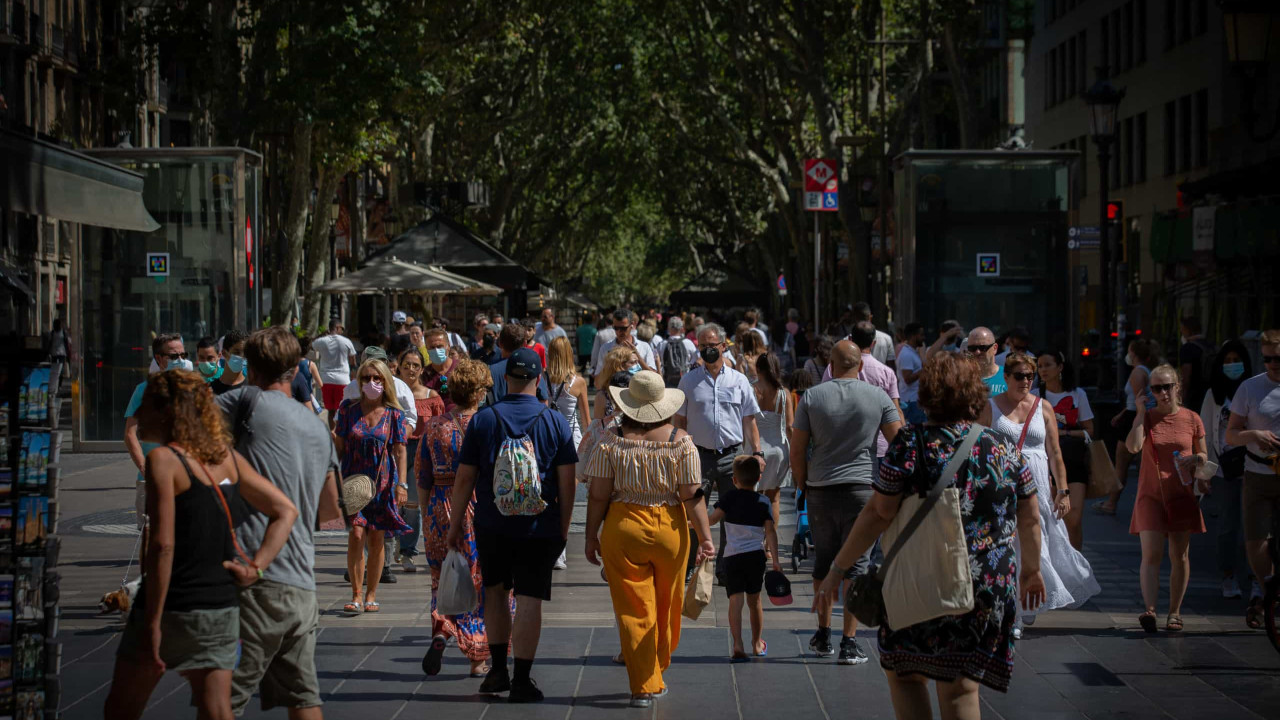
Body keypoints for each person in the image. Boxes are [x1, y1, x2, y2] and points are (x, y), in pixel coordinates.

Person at [815, 352, 1046, 716]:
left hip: (921, 577)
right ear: (975, 395)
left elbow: (879, 512)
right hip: (985, 586)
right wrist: (1032, 571)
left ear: (927, 394)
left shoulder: (911, 443)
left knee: (906, 674)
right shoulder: (1001, 447)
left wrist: (837, 569)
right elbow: (1031, 516)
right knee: (960, 688)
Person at [103, 369, 298, 720]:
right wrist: (256, 567)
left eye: (148, 405)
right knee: (217, 711)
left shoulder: (163, 461)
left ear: (167, 412)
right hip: (219, 607)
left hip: (172, 604)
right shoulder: (226, 458)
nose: (141, 414)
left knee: (122, 708)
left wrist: (151, 624)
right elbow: (285, 510)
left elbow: (162, 545)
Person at [217, 327, 342, 719]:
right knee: (303, 697)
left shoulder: (239, 401)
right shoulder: (319, 429)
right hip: (302, 585)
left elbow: (189, 451)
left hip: (254, 578)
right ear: (296, 369)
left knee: (220, 701)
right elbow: (329, 510)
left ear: (250, 367)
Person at [445, 347, 577, 702]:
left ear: (506, 379)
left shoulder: (484, 420)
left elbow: (464, 480)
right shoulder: (555, 422)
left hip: (492, 525)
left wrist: (455, 524)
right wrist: (563, 529)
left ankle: (498, 671)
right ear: (539, 379)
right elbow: (568, 483)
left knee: (496, 594)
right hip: (540, 527)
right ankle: (522, 679)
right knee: (530, 599)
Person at [582, 370, 714, 708]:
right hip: (670, 528)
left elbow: (598, 495)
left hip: (622, 526)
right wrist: (706, 537)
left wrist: (589, 536)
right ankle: (658, 666)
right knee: (667, 601)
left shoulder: (610, 442)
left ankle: (644, 683)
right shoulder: (681, 441)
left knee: (632, 608)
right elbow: (691, 495)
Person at [791, 339, 902, 663]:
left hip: (821, 489)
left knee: (823, 560)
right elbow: (899, 443)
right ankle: (849, 642)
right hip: (862, 489)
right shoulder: (878, 396)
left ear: (831, 366)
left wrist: (802, 484)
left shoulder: (811, 397)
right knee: (857, 563)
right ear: (861, 365)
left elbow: (798, 449)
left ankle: (823, 634)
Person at [983, 353, 1099, 632]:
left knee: (1037, 545)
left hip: (1037, 488)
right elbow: (978, 447)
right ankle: (1014, 613)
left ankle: (1024, 604)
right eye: (1019, 376)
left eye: (1029, 376)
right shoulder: (990, 407)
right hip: (1002, 485)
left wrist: (1063, 490)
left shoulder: (1043, 407)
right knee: (1009, 547)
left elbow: (1055, 453)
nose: (1025, 381)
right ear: (1006, 378)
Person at [418, 359, 509, 678]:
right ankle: (477, 658)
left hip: (438, 508)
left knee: (444, 579)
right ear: (480, 391)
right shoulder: (488, 423)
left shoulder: (434, 426)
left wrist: (427, 516)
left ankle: (442, 630)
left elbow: (423, 476)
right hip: (475, 506)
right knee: (479, 581)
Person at [674, 323, 765, 573]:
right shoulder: (689, 382)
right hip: (697, 456)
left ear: (724, 346)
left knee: (731, 513)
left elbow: (749, 419)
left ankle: (726, 566)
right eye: (702, 346)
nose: (706, 350)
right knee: (693, 511)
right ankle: (692, 563)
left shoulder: (739, 380)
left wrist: (756, 452)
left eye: (711, 346)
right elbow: (679, 421)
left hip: (732, 456)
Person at [1126, 364, 1208, 633]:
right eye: (1156, 388)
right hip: (1150, 494)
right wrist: (1139, 413)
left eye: (1167, 386)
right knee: (1151, 554)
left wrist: (1196, 461)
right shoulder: (1147, 417)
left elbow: (1204, 456)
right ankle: (1150, 609)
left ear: (1177, 387)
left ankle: (1174, 612)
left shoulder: (1192, 418)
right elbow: (1133, 446)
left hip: (1181, 495)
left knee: (1179, 555)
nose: (1162, 393)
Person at [333, 358, 412, 614]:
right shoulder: (348, 409)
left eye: (377, 378)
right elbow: (339, 447)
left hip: (383, 483)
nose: (371, 383)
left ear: (386, 382)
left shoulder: (394, 414)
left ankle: (371, 594)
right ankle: (356, 594)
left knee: (377, 537)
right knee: (356, 534)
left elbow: (401, 451)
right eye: (366, 378)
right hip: (353, 480)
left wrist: (402, 484)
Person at [1225, 328, 1280, 630]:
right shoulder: (1250, 388)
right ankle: (1266, 588)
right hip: (1257, 473)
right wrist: (1254, 435)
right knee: (1255, 541)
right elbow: (1231, 434)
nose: (1273, 364)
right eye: (1268, 358)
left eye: (1279, 358)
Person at [707, 456, 779, 663]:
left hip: (732, 557)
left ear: (734, 479)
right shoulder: (764, 502)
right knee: (755, 601)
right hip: (755, 558)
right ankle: (757, 643)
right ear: (758, 478)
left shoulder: (729, 498)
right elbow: (771, 532)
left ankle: (737, 644)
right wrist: (775, 560)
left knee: (735, 601)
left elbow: (712, 519)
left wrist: (693, 523)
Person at [1200, 339, 1253, 600]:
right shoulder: (1214, 395)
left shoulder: (1254, 390)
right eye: (1228, 361)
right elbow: (1206, 435)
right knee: (1228, 528)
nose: (1233, 365)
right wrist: (1206, 474)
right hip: (1223, 470)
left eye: (1237, 360)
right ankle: (1228, 576)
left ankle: (1256, 579)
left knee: (1255, 529)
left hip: (1255, 466)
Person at [124, 334, 190, 531]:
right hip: (152, 479)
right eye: (173, 356)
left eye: (183, 355)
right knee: (151, 538)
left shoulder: (193, 390)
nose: (179, 360)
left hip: (187, 476)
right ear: (159, 359)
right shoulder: (144, 391)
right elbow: (129, 434)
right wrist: (145, 468)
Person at [1034, 350, 1095, 551]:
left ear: (1060, 367)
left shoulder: (1077, 394)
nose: (1042, 370)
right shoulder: (1034, 396)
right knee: (1052, 518)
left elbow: (1089, 430)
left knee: (1074, 518)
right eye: (1040, 366)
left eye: (1047, 365)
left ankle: (1078, 563)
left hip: (1074, 460)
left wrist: (1064, 433)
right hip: (1046, 462)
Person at [1096, 338, 1160, 516]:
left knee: (1122, 464)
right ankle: (1116, 502)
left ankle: (1112, 502)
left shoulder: (1137, 373)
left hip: (1136, 418)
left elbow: (1140, 400)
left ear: (1133, 353)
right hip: (1134, 416)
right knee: (1134, 463)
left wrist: (1131, 416)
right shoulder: (1144, 371)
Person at [396, 346, 446, 573]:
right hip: (396, 448)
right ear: (399, 366)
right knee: (393, 501)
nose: (411, 369)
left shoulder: (432, 397)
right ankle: (390, 545)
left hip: (421, 450)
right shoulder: (391, 393)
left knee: (413, 504)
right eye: (406, 365)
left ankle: (408, 551)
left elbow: (440, 428)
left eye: (415, 365)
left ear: (422, 368)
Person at [753, 353, 791, 528]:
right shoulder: (783, 394)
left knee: (754, 497)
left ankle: (757, 541)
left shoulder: (751, 390)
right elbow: (790, 426)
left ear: (758, 369)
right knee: (774, 498)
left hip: (755, 448)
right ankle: (770, 544)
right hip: (778, 449)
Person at [343, 346, 418, 436]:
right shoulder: (352, 388)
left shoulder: (401, 387)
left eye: (379, 363)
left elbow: (410, 420)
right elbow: (341, 418)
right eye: (370, 363)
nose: (375, 367)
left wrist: (399, 440)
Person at [487, 324, 550, 403]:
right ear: (525, 343)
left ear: (500, 344)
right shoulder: (531, 366)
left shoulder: (490, 370)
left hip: (496, 414)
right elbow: (543, 400)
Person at [313, 322, 358, 425]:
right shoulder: (346, 341)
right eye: (341, 328)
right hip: (342, 380)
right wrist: (353, 374)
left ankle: (332, 433)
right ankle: (339, 434)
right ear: (337, 328)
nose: (342, 330)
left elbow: (311, 344)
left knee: (330, 410)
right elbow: (353, 360)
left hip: (326, 380)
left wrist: (321, 335)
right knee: (342, 409)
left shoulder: (322, 341)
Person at [594, 309, 656, 378]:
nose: (619, 331)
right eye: (616, 328)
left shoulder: (644, 347)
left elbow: (653, 376)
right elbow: (598, 379)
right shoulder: (605, 348)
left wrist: (637, 356)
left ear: (632, 325)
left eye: (623, 328)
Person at [1179, 316, 1215, 410]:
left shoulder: (1188, 348)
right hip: (1211, 392)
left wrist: (1181, 397)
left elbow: (1186, 377)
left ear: (1187, 330)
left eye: (1182, 330)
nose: (1181, 332)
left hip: (1194, 396)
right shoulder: (1210, 345)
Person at [419, 327, 457, 412]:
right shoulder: (423, 375)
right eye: (432, 347)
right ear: (427, 349)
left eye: (440, 346)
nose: (436, 350)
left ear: (448, 346)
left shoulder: (461, 368)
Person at [897, 323, 927, 424]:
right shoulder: (907, 354)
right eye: (921, 335)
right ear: (913, 336)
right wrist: (924, 370)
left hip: (915, 401)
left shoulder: (912, 352)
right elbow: (908, 379)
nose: (924, 338)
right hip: (910, 402)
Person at [850, 302, 894, 368]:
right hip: (880, 376)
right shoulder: (886, 339)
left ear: (854, 318)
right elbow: (891, 366)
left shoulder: (846, 340)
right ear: (870, 317)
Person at [966, 327, 1006, 395]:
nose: (977, 352)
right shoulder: (962, 378)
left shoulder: (1009, 377)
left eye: (982, 348)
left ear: (995, 348)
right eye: (972, 348)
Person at [210, 329, 250, 396]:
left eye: (245, 353)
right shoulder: (211, 390)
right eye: (237, 352)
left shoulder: (252, 390)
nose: (242, 357)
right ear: (224, 353)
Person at [46, 317, 72, 396]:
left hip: (61, 354)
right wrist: (48, 353)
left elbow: (66, 343)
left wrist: (67, 355)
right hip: (54, 354)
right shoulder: (52, 333)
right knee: (54, 372)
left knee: (58, 372)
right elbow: (50, 343)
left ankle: (55, 388)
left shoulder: (63, 333)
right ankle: (53, 388)